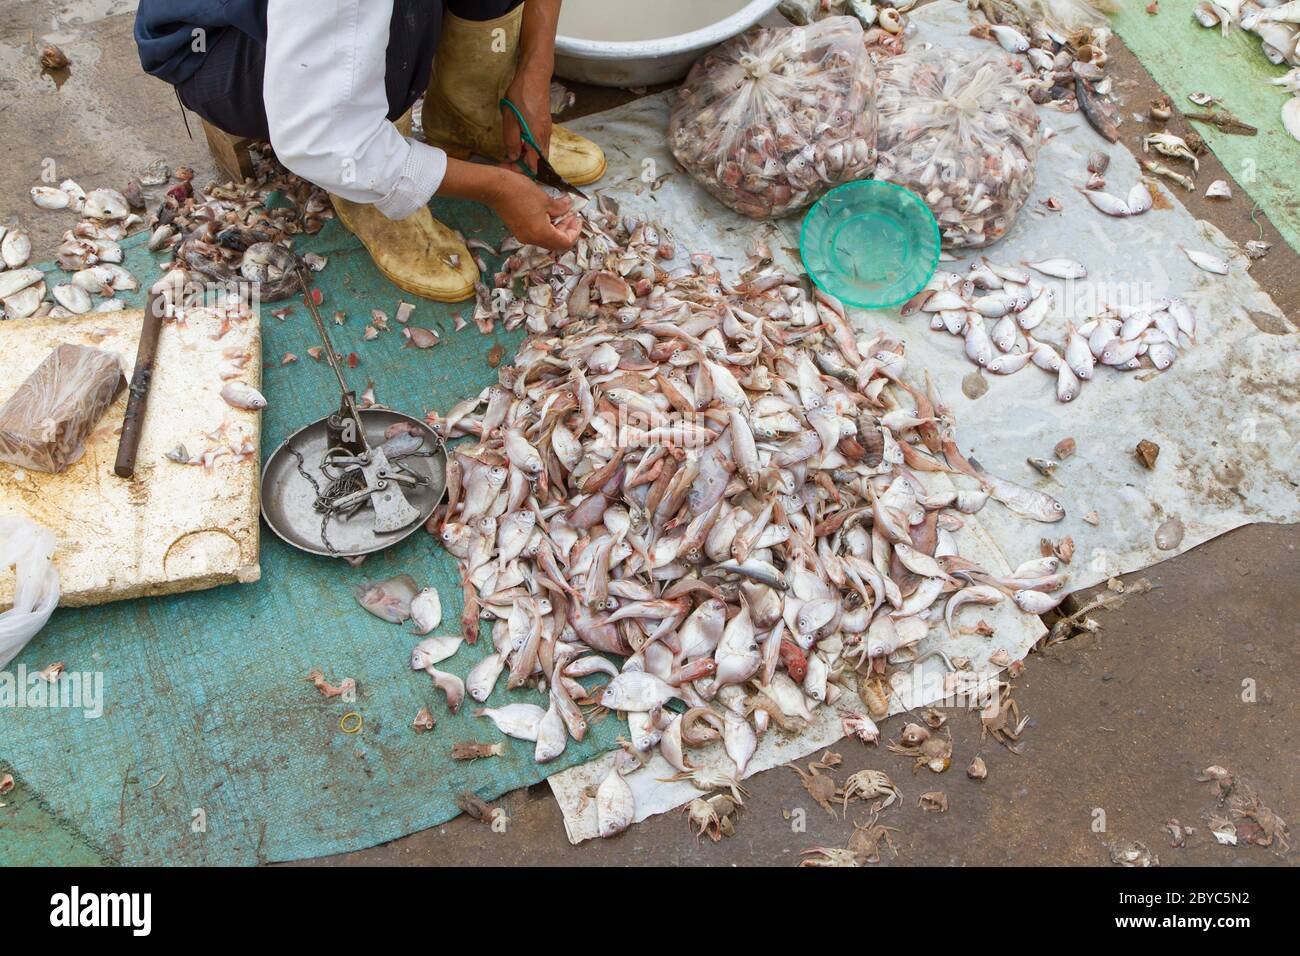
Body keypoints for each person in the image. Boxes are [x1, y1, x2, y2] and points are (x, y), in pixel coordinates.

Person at [134, 1, 605, 302]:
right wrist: (497, 188)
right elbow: (322, 137)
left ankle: (473, 116)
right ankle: (373, 198)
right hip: (214, 40)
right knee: (403, 23)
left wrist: (534, 71)